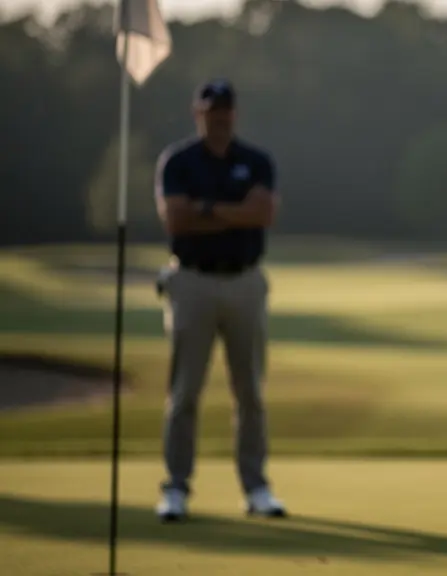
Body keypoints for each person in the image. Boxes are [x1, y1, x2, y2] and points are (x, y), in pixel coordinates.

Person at [153, 79, 286, 522]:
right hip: (192, 282)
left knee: (250, 393)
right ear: (198, 112)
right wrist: (233, 213)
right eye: (212, 111)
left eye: (226, 110)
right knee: (184, 392)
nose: (220, 118)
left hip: (245, 282)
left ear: (235, 114)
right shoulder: (179, 161)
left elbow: (262, 214)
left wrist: (205, 210)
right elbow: (176, 220)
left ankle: (257, 488)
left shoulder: (257, 161)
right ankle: (175, 488)